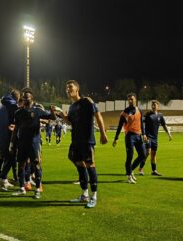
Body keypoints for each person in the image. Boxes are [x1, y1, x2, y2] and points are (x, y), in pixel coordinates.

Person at [58, 80, 108, 208]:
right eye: (66, 88)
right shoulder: (72, 107)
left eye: (70, 87)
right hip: (76, 141)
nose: (68, 89)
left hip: (87, 141)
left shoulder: (87, 101)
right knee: (80, 166)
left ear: (77, 89)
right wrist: (63, 116)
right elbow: (71, 122)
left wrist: (103, 133)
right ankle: (84, 195)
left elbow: (98, 116)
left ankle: (94, 196)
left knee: (90, 165)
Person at [10, 87, 56, 199]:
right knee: (21, 166)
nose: (25, 99)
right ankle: (22, 188)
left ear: (32, 98)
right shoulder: (18, 112)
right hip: (22, 143)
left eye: (27, 97)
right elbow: (16, 129)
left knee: (36, 165)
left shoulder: (38, 111)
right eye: (23, 97)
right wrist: (12, 143)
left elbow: (52, 118)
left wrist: (52, 111)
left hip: (34, 143)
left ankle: (38, 189)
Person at [112, 92, 147, 184]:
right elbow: (120, 126)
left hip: (138, 136)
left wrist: (144, 134)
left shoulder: (139, 110)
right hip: (130, 136)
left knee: (143, 155)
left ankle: (130, 170)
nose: (130, 101)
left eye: (132, 99)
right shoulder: (125, 112)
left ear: (135, 99)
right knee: (130, 156)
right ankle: (128, 176)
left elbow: (141, 123)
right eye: (129, 99)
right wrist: (116, 138)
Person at [0, 89, 20, 190]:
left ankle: (2, 179)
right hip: (9, 137)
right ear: (17, 98)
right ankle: (2, 180)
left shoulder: (1, 107)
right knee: (11, 158)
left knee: (2, 158)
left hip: (0, 137)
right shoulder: (13, 106)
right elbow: (17, 122)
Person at [139, 100, 172, 176]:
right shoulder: (148, 114)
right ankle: (140, 169)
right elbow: (141, 123)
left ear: (158, 106)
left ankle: (154, 170)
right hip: (148, 137)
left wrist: (169, 134)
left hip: (155, 138)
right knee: (148, 152)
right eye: (152, 105)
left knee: (153, 154)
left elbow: (164, 125)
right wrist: (143, 134)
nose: (153, 106)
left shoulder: (160, 116)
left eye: (155, 105)